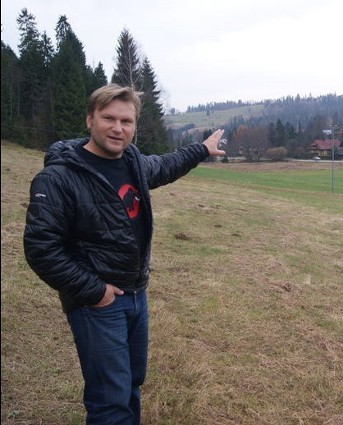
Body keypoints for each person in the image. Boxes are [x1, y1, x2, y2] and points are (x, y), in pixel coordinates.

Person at [23, 84, 226, 424]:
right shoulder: (58, 178)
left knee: (131, 383)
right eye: (109, 118)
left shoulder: (131, 162)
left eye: (127, 121)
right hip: (97, 302)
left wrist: (202, 149)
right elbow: (41, 249)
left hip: (135, 294)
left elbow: (165, 165)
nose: (118, 128)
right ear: (90, 119)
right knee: (110, 399)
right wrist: (95, 292)